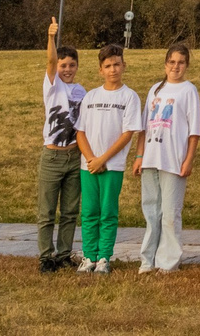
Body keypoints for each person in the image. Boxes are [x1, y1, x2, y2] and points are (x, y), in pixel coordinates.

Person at [75, 43, 141, 275]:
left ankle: (103, 257)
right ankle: (89, 256)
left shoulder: (129, 97)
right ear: (100, 70)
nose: (113, 69)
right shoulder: (91, 96)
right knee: (89, 212)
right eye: (108, 66)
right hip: (89, 166)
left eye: (117, 64)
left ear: (124, 66)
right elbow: (80, 131)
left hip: (112, 165)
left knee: (108, 212)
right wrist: (91, 158)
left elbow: (127, 133)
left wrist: (103, 158)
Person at [137, 42, 200, 274]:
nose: (176, 66)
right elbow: (144, 127)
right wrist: (139, 156)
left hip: (173, 160)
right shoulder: (155, 89)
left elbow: (194, 132)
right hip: (150, 158)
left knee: (170, 213)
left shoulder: (189, 91)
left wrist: (189, 159)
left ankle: (168, 261)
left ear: (187, 65)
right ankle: (148, 260)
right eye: (172, 62)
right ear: (165, 64)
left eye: (181, 62)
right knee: (151, 211)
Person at [38, 18, 85, 273]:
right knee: (47, 211)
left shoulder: (81, 91)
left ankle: (64, 253)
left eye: (72, 65)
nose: (67, 69)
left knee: (69, 211)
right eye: (63, 65)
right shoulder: (52, 85)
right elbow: (49, 61)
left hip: (74, 156)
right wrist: (50, 38)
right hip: (52, 157)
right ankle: (46, 256)